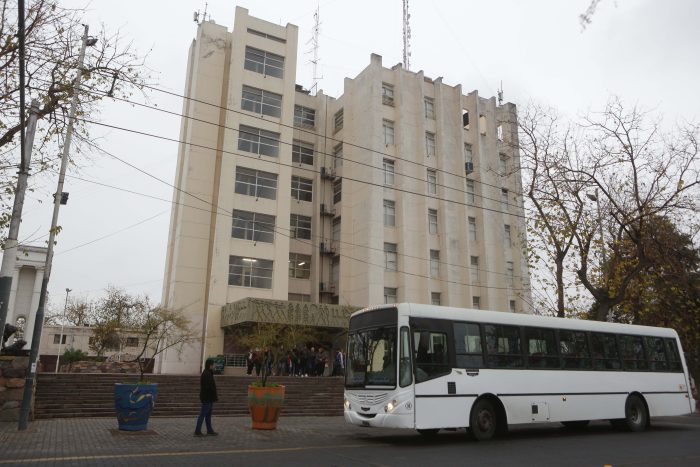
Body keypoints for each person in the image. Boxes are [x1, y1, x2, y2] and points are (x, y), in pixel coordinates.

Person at [194, 358, 218, 437]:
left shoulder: (209, 372)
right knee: (203, 414)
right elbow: (208, 387)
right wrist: (213, 392)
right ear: (210, 365)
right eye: (214, 364)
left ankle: (209, 430)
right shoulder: (206, 374)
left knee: (208, 415)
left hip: (209, 398)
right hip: (207, 397)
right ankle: (197, 431)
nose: (215, 365)